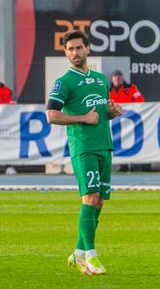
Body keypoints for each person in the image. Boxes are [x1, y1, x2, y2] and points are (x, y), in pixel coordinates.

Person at [46, 30, 123, 275]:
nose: (75, 52)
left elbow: (101, 112)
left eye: (79, 47)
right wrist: (82, 118)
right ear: (65, 53)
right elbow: (52, 115)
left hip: (104, 145)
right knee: (90, 197)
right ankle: (91, 256)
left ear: (87, 49)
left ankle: (78, 253)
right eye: (70, 49)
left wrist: (111, 113)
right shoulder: (64, 82)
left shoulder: (100, 80)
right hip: (83, 147)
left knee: (99, 201)